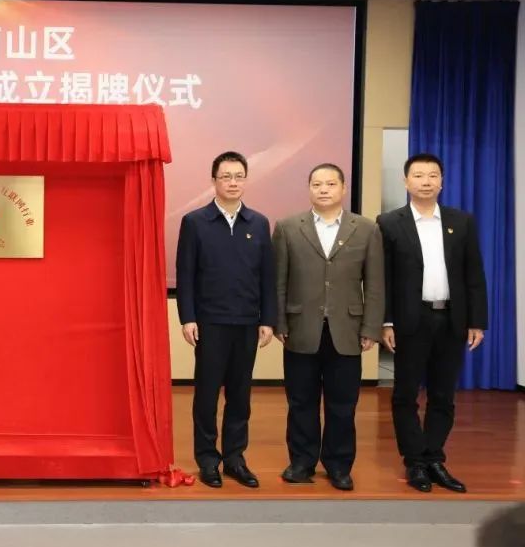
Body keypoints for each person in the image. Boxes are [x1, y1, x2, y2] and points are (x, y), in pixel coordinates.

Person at [377, 152, 487, 493]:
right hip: (410, 320)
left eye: (433, 175)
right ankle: (414, 461)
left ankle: (434, 457)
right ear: (406, 181)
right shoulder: (389, 223)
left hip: (451, 319)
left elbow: (473, 275)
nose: (426, 182)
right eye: (419, 175)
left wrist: (477, 322)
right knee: (405, 394)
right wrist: (386, 322)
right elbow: (383, 278)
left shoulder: (461, 221)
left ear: (442, 181)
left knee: (443, 394)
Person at [272, 163, 383, 491]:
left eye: (331, 184)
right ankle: (301, 462)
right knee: (300, 402)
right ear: (309, 188)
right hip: (300, 328)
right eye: (317, 184)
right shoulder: (288, 228)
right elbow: (278, 282)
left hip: (347, 330)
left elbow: (375, 284)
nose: (323, 189)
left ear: (343, 188)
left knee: (343, 404)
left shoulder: (366, 229)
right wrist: (279, 322)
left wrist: (371, 328)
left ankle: (339, 465)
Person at [176, 151, 275, 489]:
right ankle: (207, 459)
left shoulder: (258, 223)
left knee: (240, 395)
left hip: (247, 322)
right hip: (210, 322)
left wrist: (268, 319)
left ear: (246, 180)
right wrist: (188, 317)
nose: (233, 182)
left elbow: (267, 276)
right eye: (226, 177)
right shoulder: (195, 222)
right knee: (206, 395)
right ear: (214, 181)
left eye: (239, 176)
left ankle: (234, 458)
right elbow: (185, 274)